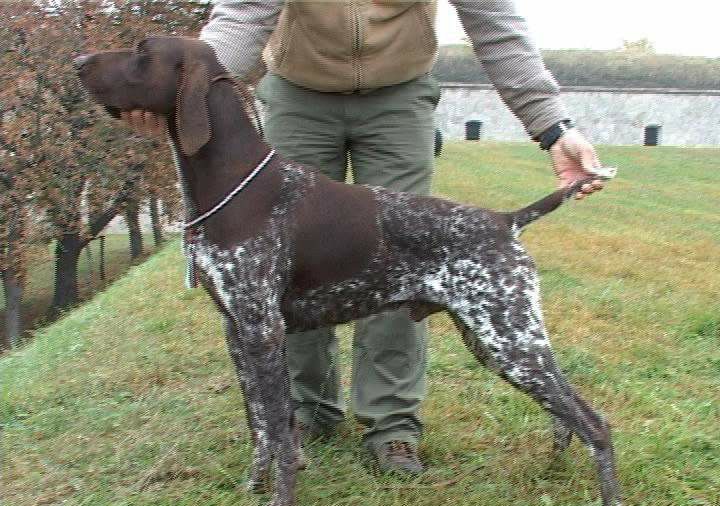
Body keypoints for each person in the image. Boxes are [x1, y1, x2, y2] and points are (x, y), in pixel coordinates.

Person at [123, 0, 608, 476]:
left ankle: (391, 424)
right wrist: (185, 90)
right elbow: (244, 13)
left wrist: (553, 126)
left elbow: (496, 23)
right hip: (298, 91)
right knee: (281, 269)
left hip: (399, 96)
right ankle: (301, 413)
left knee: (404, 262)